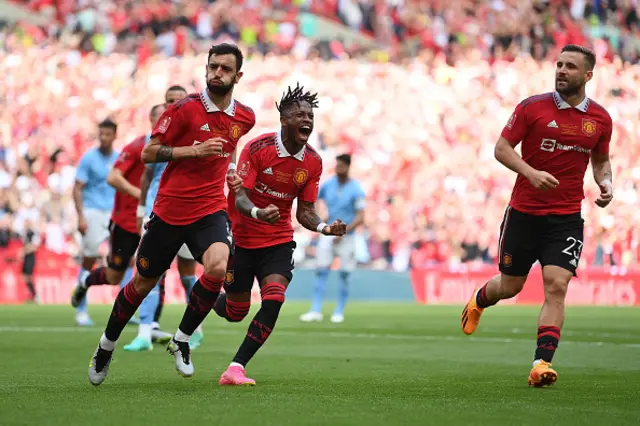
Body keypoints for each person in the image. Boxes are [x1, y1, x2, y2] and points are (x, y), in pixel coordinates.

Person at [87, 43, 255, 386]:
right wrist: (192, 151)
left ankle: (181, 339)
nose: (216, 73)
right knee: (141, 283)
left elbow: (232, 142)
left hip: (209, 210)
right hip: (169, 212)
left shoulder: (245, 116)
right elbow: (149, 153)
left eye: (224, 68)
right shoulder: (183, 109)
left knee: (219, 267)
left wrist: (232, 169)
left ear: (237, 76)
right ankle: (106, 345)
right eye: (212, 66)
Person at [460, 45, 613, 388]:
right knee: (510, 286)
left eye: (570, 66)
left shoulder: (600, 119)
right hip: (524, 213)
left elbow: (600, 161)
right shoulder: (532, 107)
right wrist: (530, 172)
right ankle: (479, 299)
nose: (561, 70)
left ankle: (541, 363)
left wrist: (606, 184)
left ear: (588, 75)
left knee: (557, 286)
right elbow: (501, 148)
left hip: (566, 217)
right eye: (559, 64)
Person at [212, 83, 347, 386]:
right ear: (284, 120)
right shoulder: (257, 149)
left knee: (274, 298)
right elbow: (241, 196)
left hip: (277, 241)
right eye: (299, 114)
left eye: (310, 115)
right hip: (243, 239)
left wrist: (325, 227)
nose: (307, 120)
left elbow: (305, 212)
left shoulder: (313, 161)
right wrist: (258, 212)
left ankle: (236, 367)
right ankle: (209, 298)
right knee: (235, 312)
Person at [70, 104, 170, 343]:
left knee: (154, 271)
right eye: (158, 118)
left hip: (154, 220)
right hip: (125, 221)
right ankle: (85, 282)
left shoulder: (175, 150)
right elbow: (113, 177)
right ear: (150, 120)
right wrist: (142, 197)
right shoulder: (138, 146)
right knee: (115, 275)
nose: (163, 123)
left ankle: (148, 326)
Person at [125, 85, 208, 352]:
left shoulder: (196, 131)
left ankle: (195, 328)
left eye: (179, 99)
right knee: (150, 272)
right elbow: (148, 175)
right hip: (156, 209)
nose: (174, 103)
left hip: (187, 210)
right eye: (170, 100)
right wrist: (140, 209)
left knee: (187, 273)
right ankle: (144, 333)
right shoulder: (159, 132)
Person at [299, 153, 365, 324]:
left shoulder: (356, 188)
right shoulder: (328, 185)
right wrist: (322, 220)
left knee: (344, 273)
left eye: (341, 166)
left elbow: (361, 217)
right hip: (328, 234)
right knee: (321, 271)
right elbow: (312, 200)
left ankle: (339, 311)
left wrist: (342, 231)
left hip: (347, 237)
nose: (338, 169)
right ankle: (315, 310)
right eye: (337, 165)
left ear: (348, 167)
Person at [72, 119, 121, 326]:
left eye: (107, 134)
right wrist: (81, 216)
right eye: (101, 133)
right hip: (92, 211)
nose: (103, 137)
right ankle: (81, 308)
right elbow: (77, 187)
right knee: (89, 259)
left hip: (115, 213)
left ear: (114, 135)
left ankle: (124, 309)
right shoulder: (89, 158)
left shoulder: (120, 158)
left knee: (125, 259)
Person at [21, 218, 40, 303]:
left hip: (31, 257)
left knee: (29, 276)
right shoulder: (24, 234)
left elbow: (34, 246)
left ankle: (35, 295)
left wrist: (25, 249)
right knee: (25, 277)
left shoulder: (33, 234)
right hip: (26, 257)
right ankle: (32, 295)